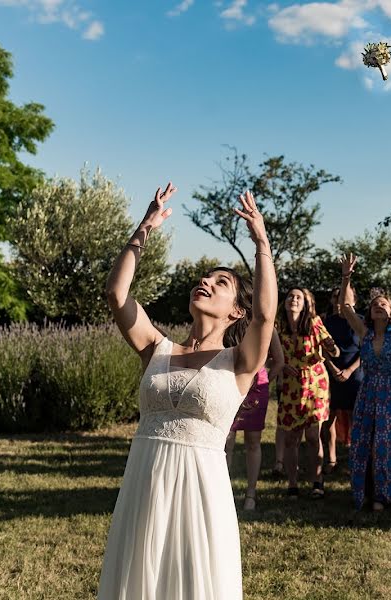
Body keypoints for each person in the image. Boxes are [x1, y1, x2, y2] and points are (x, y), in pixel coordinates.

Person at [99, 185, 277, 598]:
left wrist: (261, 241)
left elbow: (266, 314)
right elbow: (116, 294)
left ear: (236, 310)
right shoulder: (156, 348)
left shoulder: (239, 362)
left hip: (200, 492)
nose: (206, 282)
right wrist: (145, 227)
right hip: (144, 482)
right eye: (204, 278)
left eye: (221, 282)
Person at [340, 247, 391, 510]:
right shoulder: (364, 332)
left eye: (384, 304)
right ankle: (367, 493)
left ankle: (387, 495)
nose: (378, 306)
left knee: (388, 444)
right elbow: (345, 307)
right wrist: (346, 278)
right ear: (370, 313)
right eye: (374, 305)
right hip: (368, 391)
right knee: (364, 443)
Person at [276, 287, 340, 499]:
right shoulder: (276, 327)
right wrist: (283, 366)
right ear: (285, 302)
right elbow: (267, 358)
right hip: (290, 385)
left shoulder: (314, 323)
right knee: (290, 439)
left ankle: (317, 481)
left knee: (313, 436)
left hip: (315, 384)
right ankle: (292, 484)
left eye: (298, 297)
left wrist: (331, 346)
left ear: (305, 303)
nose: (293, 299)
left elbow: (335, 351)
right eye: (290, 296)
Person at [225, 336, 283, 511]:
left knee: (253, 440)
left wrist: (264, 384)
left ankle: (251, 494)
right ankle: (223, 492)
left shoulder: (268, 326)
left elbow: (279, 361)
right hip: (229, 383)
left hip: (257, 388)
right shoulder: (231, 318)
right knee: (226, 441)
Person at [322, 287, 364, 474]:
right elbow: (322, 348)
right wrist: (333, 369)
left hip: (356, 373)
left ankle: (355, 458)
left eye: (345, 297)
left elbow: (367, 349)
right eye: (336, 296)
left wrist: (349, 370)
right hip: (330, 373)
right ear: (332, 300)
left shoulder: (362, 322)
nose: (340, 300)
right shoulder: (325, 322)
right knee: (328, 418)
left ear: (354, 301)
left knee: (357, 417)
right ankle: (331, 459)